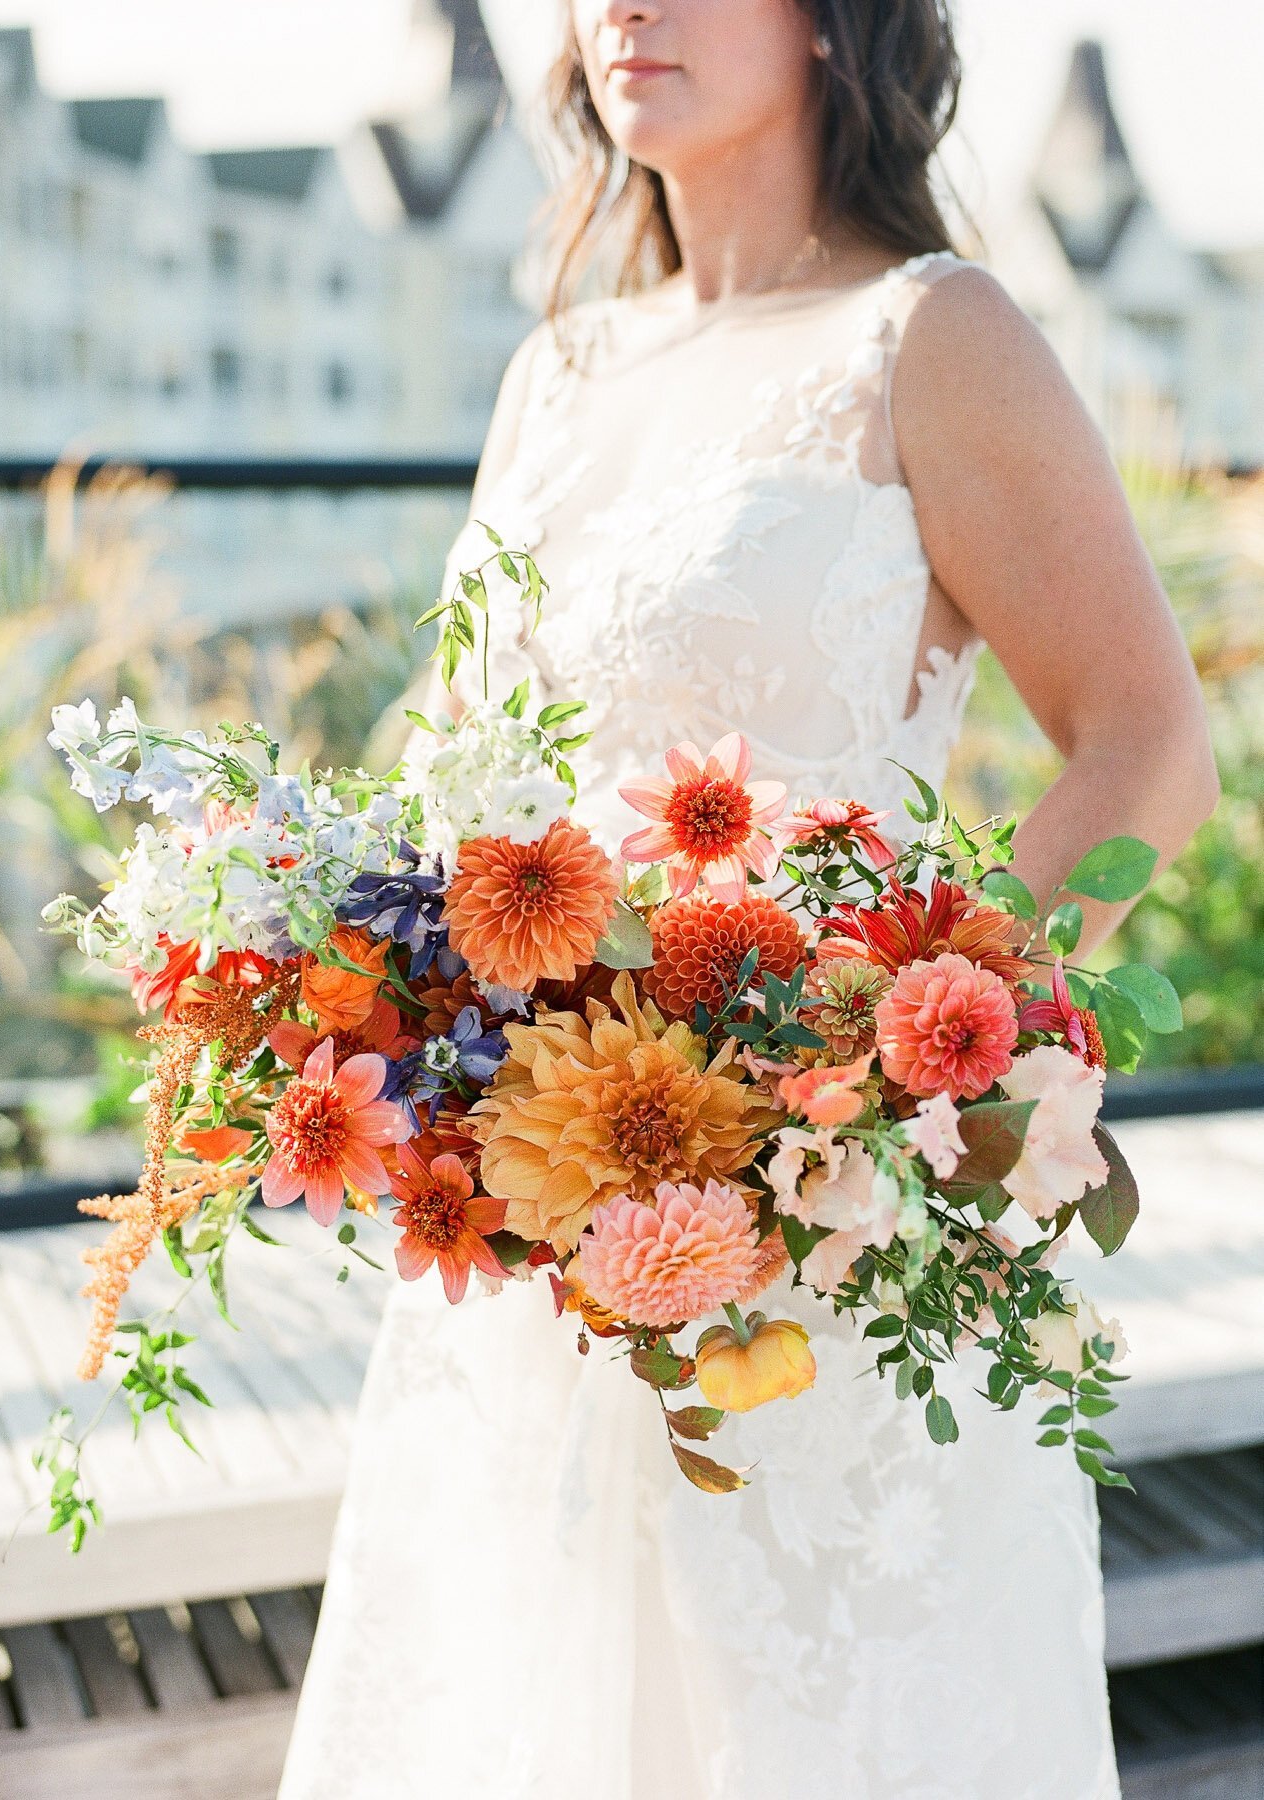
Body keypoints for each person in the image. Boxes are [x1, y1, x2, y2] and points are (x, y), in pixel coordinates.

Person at [279, 3, 1218, 1794]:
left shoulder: (928, 334)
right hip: (544, 1235)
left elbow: (1148, 745)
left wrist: (902, 1061)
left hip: (823, 1227)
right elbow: (457, 768)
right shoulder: (555, 367)